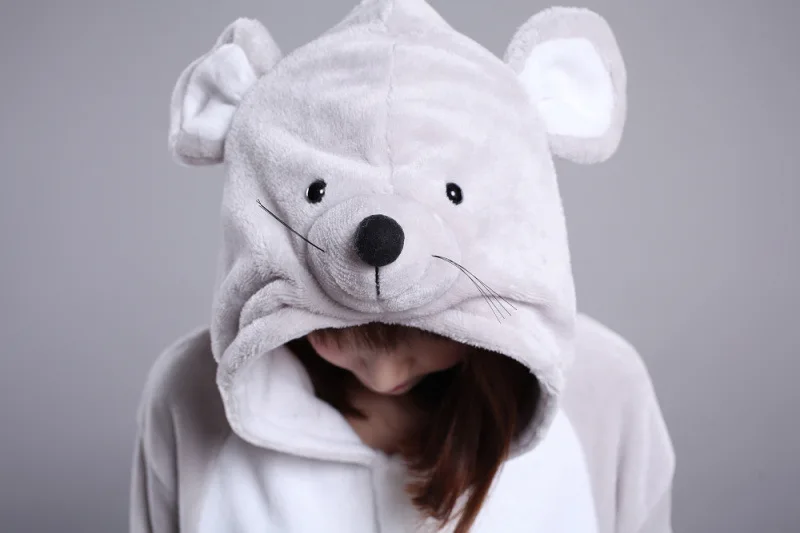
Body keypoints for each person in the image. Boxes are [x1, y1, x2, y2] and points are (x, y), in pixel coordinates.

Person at [130, 1, 675, 532]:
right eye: (336, 335)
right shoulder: (189, 396)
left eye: (429, 336)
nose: (384, 376)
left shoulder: (604, 392)